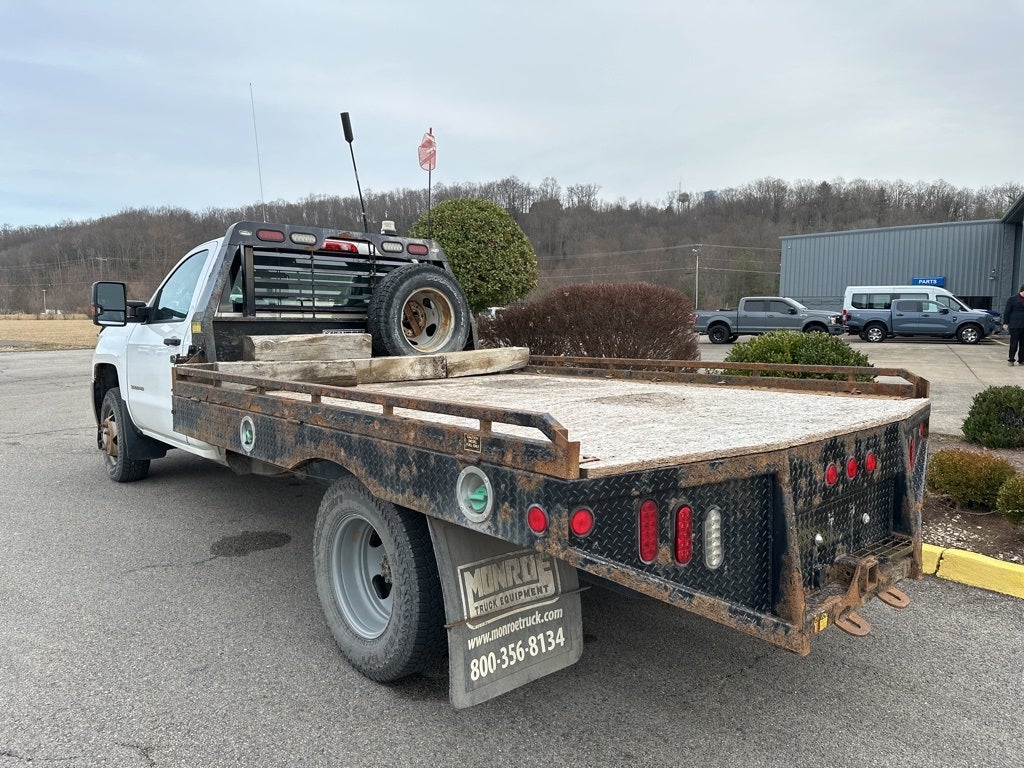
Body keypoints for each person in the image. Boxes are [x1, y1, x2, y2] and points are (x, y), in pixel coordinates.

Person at [1003, 284, 1024, 365]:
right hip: (1015, 325)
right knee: (1014, 343)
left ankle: (1021, 360)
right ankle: (1011, 359)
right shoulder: (1013, 299)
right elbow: (1007, 311)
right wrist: (1005, 323)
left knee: (1023, 344)